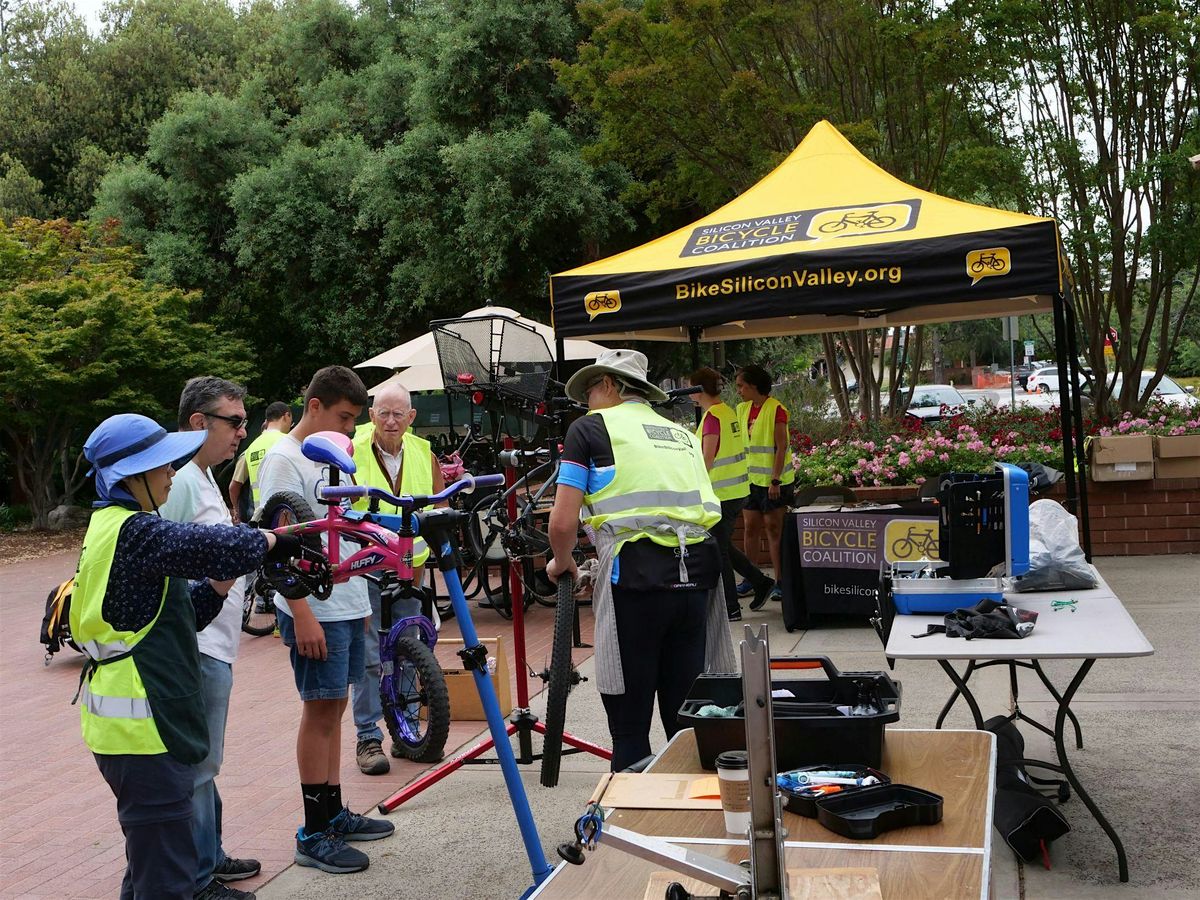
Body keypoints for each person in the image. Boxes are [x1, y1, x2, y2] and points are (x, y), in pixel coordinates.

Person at [72, 414, 298, 900]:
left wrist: (219, 585)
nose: (172, 472)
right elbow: (212, 544)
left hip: (135, 730)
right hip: (143, 731)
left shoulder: (115, 529)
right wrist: (272, 540)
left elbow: (182, 617)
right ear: (130, 478)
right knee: (168, 880)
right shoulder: (136, 533)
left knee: (150, 867)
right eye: (161, 465)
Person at [545, 349, 734, 771]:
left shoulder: (590, 429)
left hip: (636, 582)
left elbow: (562, 523)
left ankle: (629, 826)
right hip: (698, 576)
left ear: (610, 385)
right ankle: (690, 822)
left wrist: (562, 562)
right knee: (686, 724)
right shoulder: (681, 433)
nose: (586, 402)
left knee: (630, 731)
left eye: (590, 390)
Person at [255, 365, 394, 875]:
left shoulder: (333, 454)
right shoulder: (282, 460)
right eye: (343, 417)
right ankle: (313, 832)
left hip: (348, 602)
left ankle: (334, 812)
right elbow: (276, 545)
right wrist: (302, 612)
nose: (351, 430)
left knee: (334, 708)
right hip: (315, 609)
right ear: (314, 406)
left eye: (356, 420)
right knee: (319, 711)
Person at [157, 377, 262, 898]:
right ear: (199, 423)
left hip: (214, 643)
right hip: (197, 645)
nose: (243, 432)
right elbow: (161, 565)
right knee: (199, 763)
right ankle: (198, 878)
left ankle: (210, 856)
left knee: (207, 759)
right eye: (235, 421)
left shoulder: (203, 477)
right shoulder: (179, 484)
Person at [348, 383, 445, 775]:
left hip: (410, 570)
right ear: (370, 415)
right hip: (366, 570)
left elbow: (441, 504)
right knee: (370, 657)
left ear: (411, 417)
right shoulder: (350, 449)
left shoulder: (423, 453)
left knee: (407, 653)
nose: (390, 421)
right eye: (382, 413)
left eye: (398, 414)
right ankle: (368, 737)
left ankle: (405, 734)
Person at [689, 367, 775, 621]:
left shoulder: (713, 417)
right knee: (723, 544)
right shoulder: (727, 412)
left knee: (719, 551)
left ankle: (731, 607)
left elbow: (707, 459)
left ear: (698, 391)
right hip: (737, 490)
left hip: (720, 493)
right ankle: (760, 582)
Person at [734, 364, 795, 611]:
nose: (738, 390)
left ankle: (780, 580)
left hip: (773, 482)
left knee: (773, 529)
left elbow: (781, 447)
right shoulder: (741, 410)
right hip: (749, 481)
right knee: (750, 528)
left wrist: (775, 479)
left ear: (754, 385)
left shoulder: (777, 410)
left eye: (741, 385)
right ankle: (753, 577)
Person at [227, 402, 292, 524]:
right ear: (286, 416)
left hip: (259, 517)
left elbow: (234, 486)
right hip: (285, 516)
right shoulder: (289, 442)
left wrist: (236, 510)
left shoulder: (252, 448)